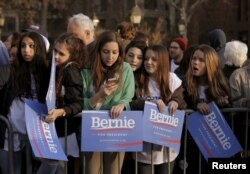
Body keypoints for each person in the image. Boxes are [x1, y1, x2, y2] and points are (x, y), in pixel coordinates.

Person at [81, 31, 135, 174]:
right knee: (91, 170)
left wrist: (122, 104)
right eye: (106, 51)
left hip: (116, 126)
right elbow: (81, 102)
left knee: (113, 171)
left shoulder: (125, 69)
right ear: (99, 50)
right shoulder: (86, 70)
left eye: (114, 52)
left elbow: (128, 95)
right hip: (93, 127)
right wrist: (99, 95)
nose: (110, 57)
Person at [131, 45, 187, 174]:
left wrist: (175, 101)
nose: (149, 62)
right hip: (143, 148)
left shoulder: (172, 79)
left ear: (162, 60)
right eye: (146, 59)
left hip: (167, 149)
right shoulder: (137, 79)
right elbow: (130, 103)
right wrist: (147, 104)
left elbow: (182, 100)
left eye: (154, 59)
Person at [0, 31, 50, 174]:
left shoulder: (47, 73)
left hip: (37, 134)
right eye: (23, 46)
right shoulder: (9, 70)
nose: (26, 50)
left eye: (31, 46)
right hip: (11, 134)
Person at [36, 33, 86, 174]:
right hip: (54, 129)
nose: (56, 56)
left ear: (72, 55)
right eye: (55, 51)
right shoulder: (56, 67)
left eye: (61, 54)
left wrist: (60, 111)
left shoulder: (71, 71)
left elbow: (78, 104)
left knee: (54, 166)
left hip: (64, 131)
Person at [183, 44, 230, 173]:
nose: (195, 62)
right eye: (194, 58)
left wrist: (223, 103)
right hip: (192, 142)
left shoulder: (221, 85)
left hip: (213, 143)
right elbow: (182, 103)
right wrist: (195, 105)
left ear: (210, 64)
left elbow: (230, 115)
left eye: (201, 60)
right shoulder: (186, 84)